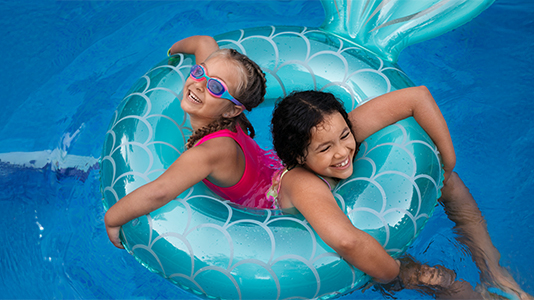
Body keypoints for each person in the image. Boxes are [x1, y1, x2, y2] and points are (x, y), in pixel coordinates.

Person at [269, 89, 531, 299]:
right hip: (326, 255)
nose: (342, 152)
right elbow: (347, 242)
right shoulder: (303, 183)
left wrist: (448, 166)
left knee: (449, 183)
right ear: (298, 157)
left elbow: (417, 97)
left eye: (345, 135)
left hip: (364, 225)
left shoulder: (336, 133)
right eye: (325, 148)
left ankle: (492, 268)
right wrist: (398, 273)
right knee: (443, 280)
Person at [105, 35, 280, 249]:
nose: (199, 85)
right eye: (199, 71)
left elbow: (160, 191)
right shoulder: (224, 110)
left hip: (267, 203)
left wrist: (112, 219)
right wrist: (171, 53)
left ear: (233, 110)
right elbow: (203, 43)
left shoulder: (209, 153)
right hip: (271, 170)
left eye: (215, 87)